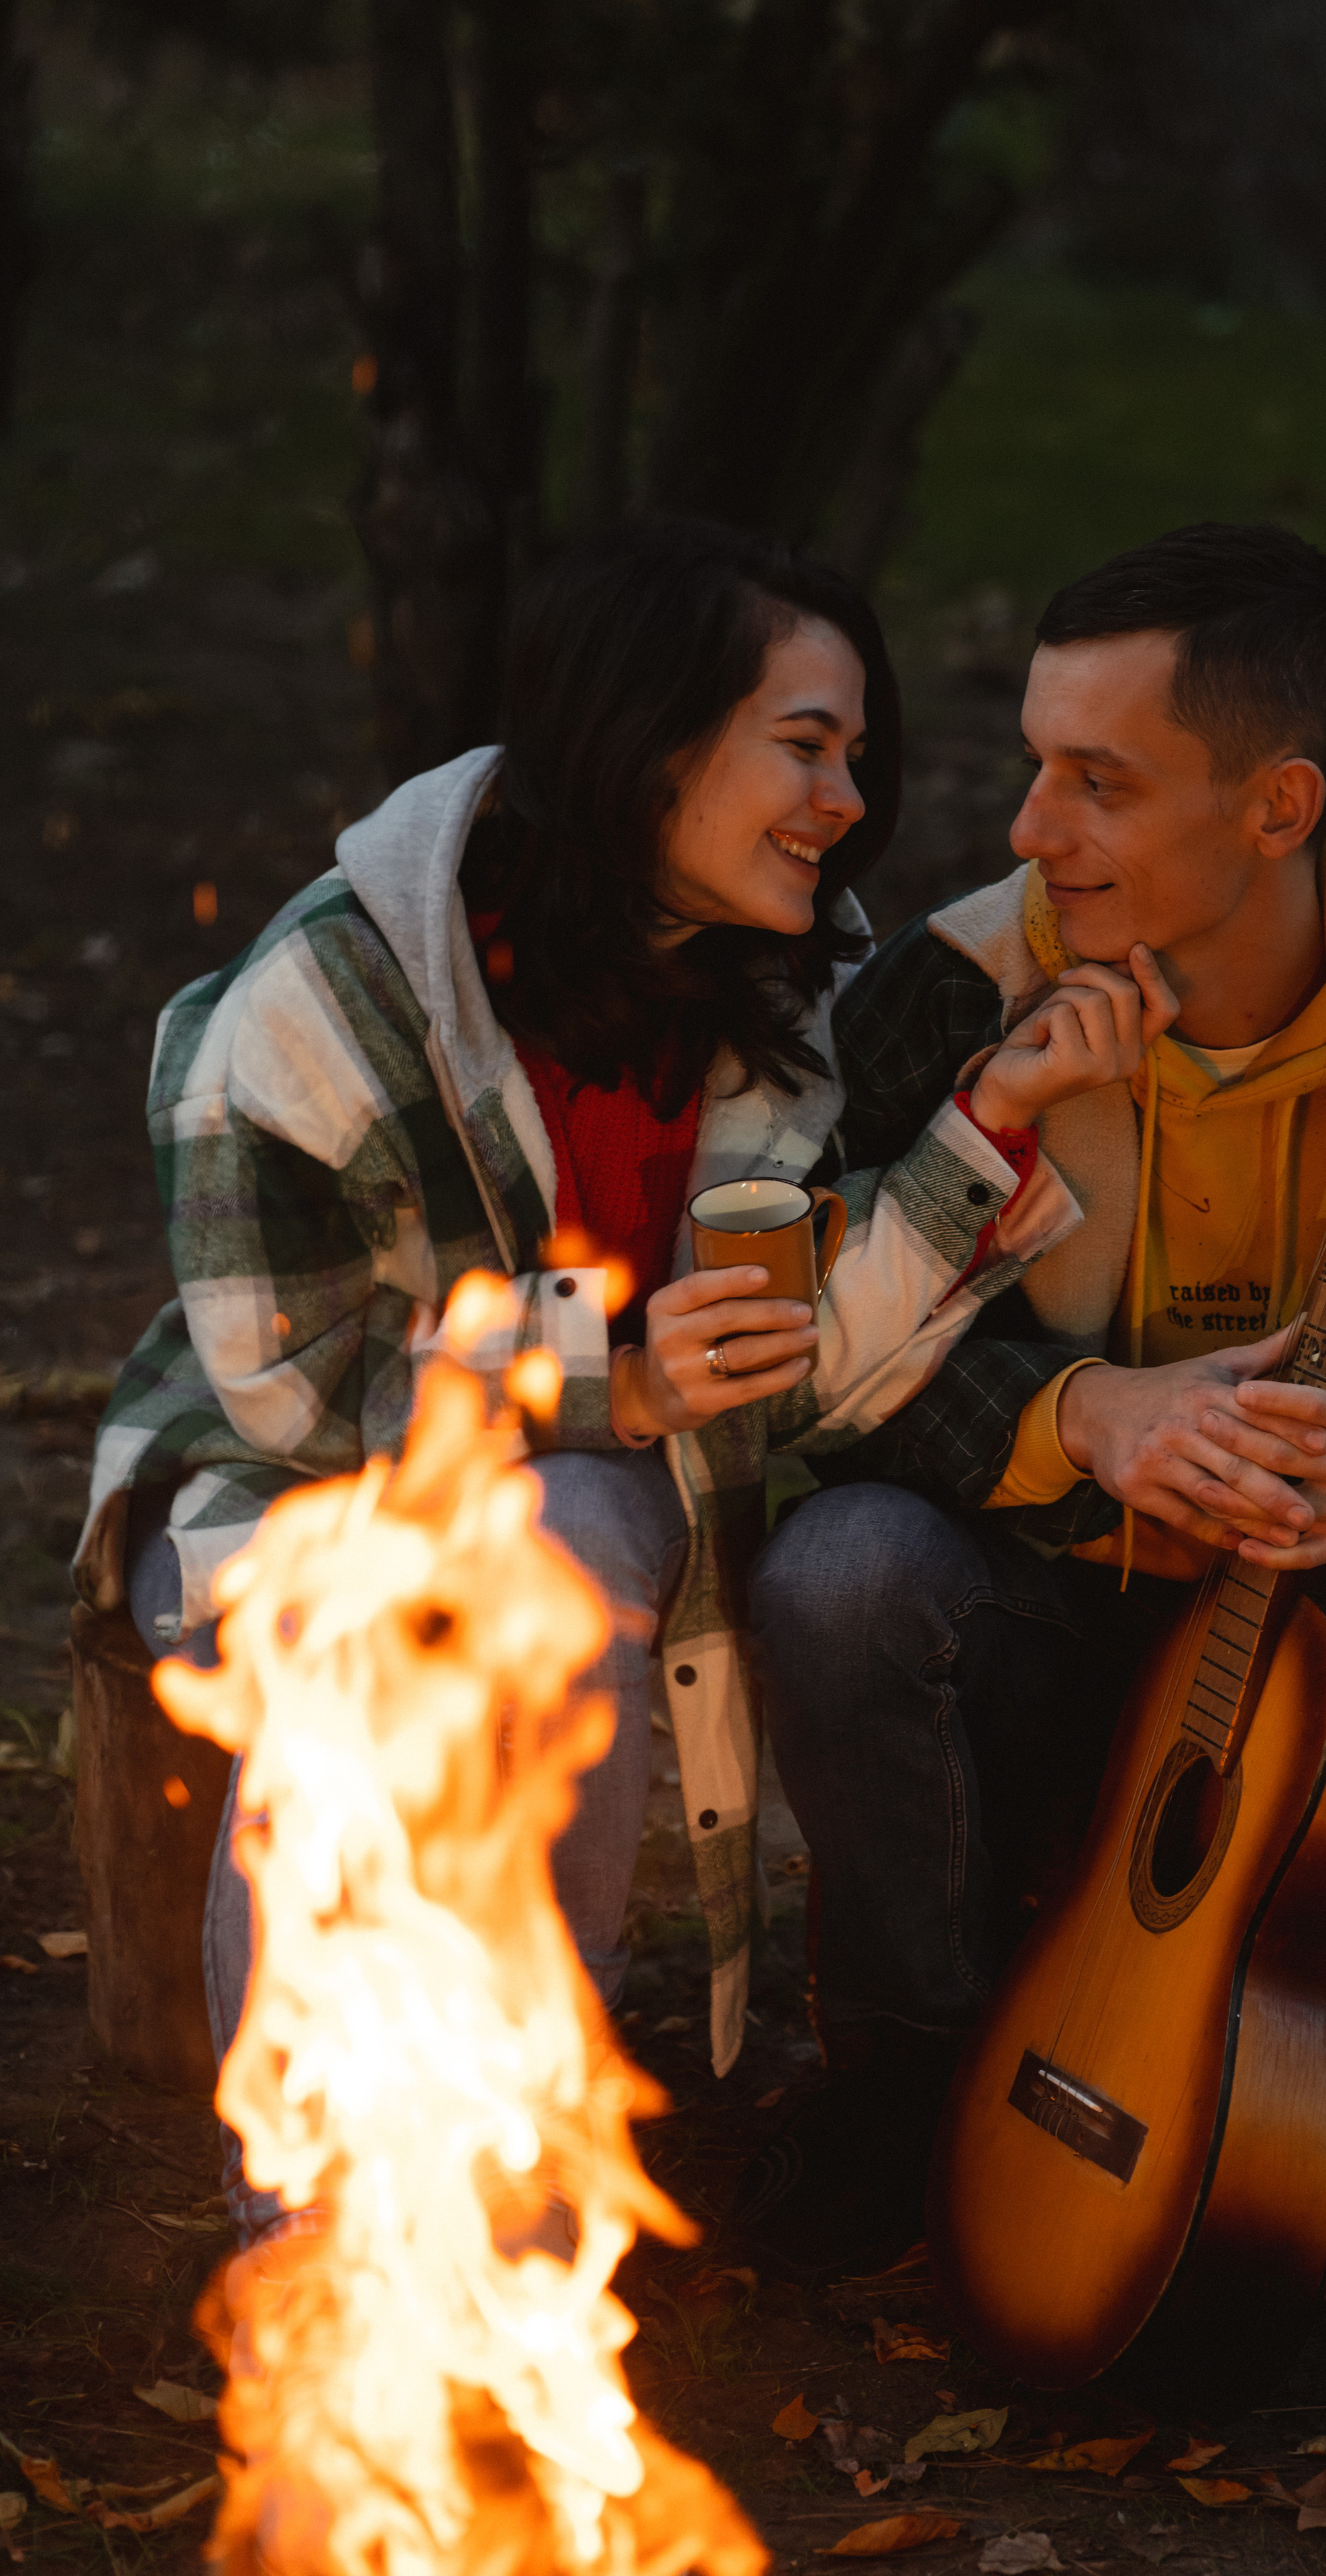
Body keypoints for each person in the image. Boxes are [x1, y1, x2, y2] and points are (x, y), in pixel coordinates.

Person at [74, 517, 1178, 2244]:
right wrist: (607, 1370)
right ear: (646, 740)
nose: (842, 801)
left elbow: (794, 1377)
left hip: (576, 1502)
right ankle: (321, 2227)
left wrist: (994, 1127)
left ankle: (514, 2162)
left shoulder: (785, 987)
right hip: (280, 1495)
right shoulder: (327, 1000)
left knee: (573, 1533)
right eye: (803, 746)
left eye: (854, 758)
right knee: (413, 1596)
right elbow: (290, 1393)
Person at [743, 522, 1326, 2334]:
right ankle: (902, 2079)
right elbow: (811, 1373)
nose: (1031, 830)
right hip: (1064, 1621)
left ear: (1278, 807)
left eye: (1098, 783)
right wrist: (1081, 1416)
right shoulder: (955, 1000)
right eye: (1036, 764)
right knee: (844, 1574)